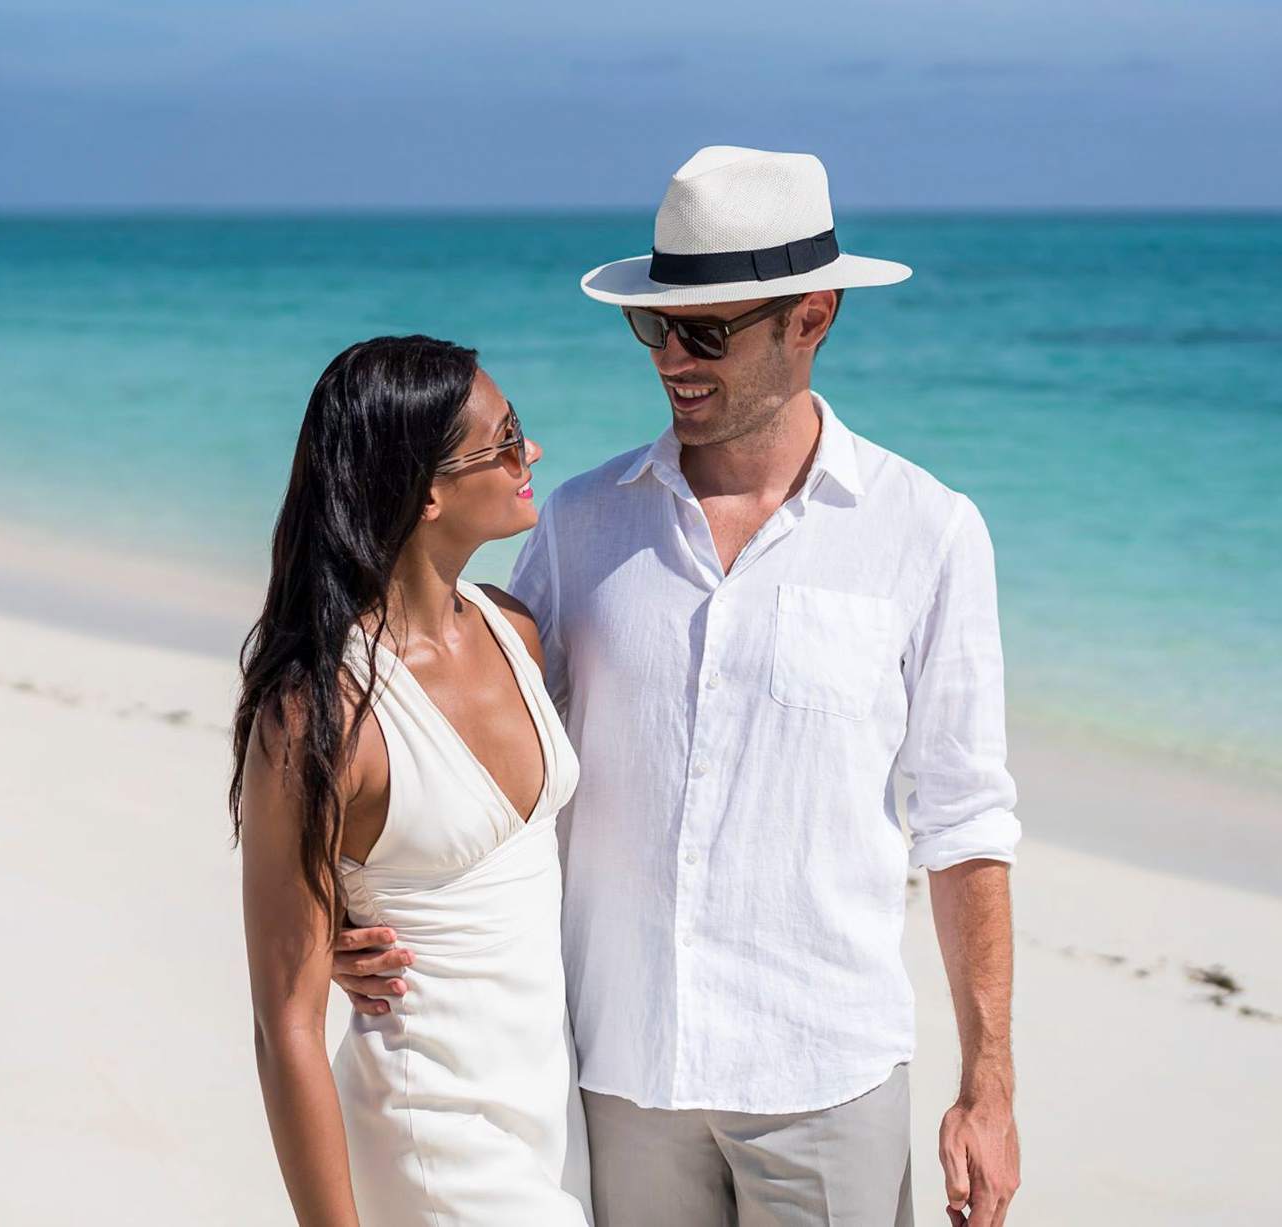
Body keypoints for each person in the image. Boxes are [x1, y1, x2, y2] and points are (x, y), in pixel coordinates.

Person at [334, 148, 1023, 1227]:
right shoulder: (578, 521)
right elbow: (475, 744)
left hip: (824, 1076)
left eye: (706, 331)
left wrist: (988, 1086)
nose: (670, 358)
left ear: (813, 318)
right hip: (618, 1073)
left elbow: (965, 818)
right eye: (652, 325)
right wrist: (346, 899)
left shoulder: (926, 534)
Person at [232, 335, 593, 1225]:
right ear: (425, 491)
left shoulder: (517, 629)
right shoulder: (320, 717)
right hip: (431, 1135)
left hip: (553, 1120)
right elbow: (287, 1027)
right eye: (504, 440)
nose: (531, 453)